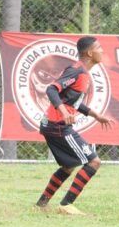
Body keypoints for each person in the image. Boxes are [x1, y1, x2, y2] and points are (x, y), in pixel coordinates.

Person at [34, 36, 114, 215]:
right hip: (58, 125)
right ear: (90, 53)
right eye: (99, 48)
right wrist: (63, 112)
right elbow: (51, 89)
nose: (102, 51)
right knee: (93, 161)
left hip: (53, 124)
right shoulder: (78, 71)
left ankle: (41, 204)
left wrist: (96, 115)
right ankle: (66, 204)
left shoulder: (82, 72)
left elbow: (72, 101)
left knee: (68, 166)